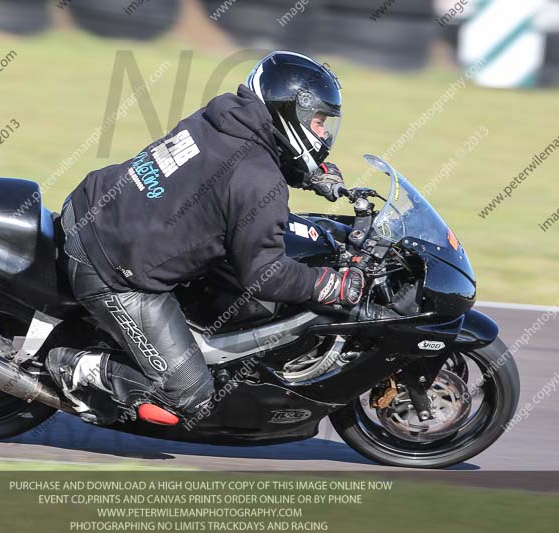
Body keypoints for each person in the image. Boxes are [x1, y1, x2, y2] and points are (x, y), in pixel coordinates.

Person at [47, 51, 364, 426]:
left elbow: (233, 167)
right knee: (190, 396)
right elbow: (265, 275)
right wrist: (328, 284)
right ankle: (74, 365)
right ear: (290, 112)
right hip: (110, 269)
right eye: (318, 121)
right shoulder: (258, 181)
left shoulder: (224, 115)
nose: (323, 133)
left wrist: (305, 174)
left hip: (92, 206)